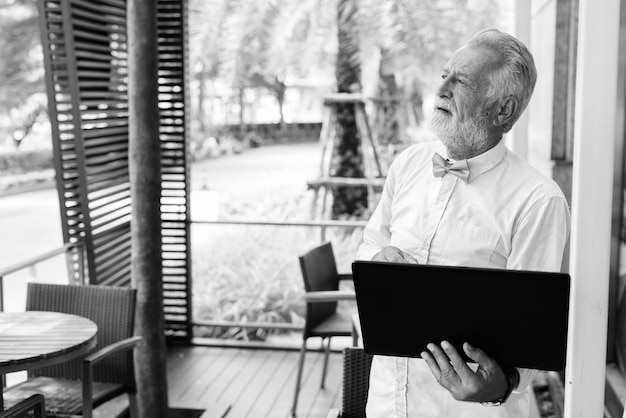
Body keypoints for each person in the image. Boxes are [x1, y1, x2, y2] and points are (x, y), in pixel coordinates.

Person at [356, 28, 570, 417]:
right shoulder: (407, 165)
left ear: (502, 110)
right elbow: (369, 245)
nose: (443, 89)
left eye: (463, 81)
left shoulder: (538, 200)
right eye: (445, 76)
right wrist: (378, 257)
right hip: (386, 402)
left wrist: (499, 386)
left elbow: (531, 327)